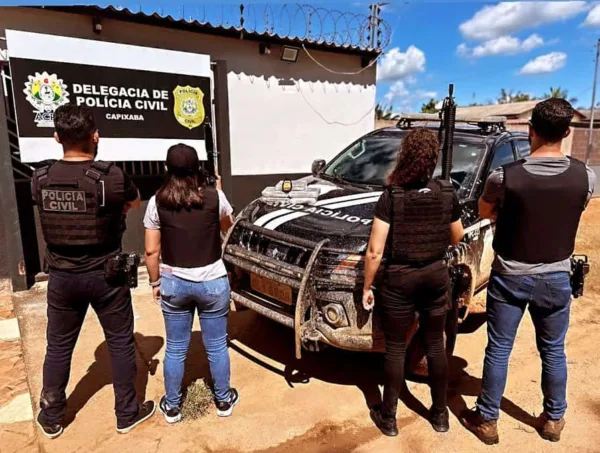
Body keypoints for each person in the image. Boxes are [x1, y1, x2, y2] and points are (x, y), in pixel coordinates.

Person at [460, 98, 596, 445]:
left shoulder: (504, 176)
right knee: (553, 350)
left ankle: (487, 420)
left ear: (530, 130)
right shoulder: (586, 176)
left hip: (510, 277)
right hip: (556, 278)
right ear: (567, 132)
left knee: (499, 349)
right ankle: (553, 418)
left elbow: (486, 212)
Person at [32, 105, 155, 439]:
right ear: (95, 135)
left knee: (58, 347)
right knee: (119, 343)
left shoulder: (39, 177)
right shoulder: (110, 176)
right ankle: (127, 414)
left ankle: (53, 415)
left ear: (57, 137)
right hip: (106, 275)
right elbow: (134, 201)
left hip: (61, 277)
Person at [362, 128, 465, 437]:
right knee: (436, 345)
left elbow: (375, 251)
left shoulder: (392, 196)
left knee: (395, 349)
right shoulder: (447, 192)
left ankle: (389, 418)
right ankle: (440, 416)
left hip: (399, 280)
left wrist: (367, 287)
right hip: (435, 277)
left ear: (404, 156)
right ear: (433, 160)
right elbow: (457, 236)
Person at [144, 143, 237, 424]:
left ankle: (172, 406)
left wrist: (155, 282)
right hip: (212, 282)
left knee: (175, 348)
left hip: (174, 281)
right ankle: (223, 400)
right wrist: (218, 192)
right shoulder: (214, 196)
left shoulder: (157, 200)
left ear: (165, 169)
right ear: (198, 169)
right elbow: (227, 226)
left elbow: (151, 252)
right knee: (218, 346)